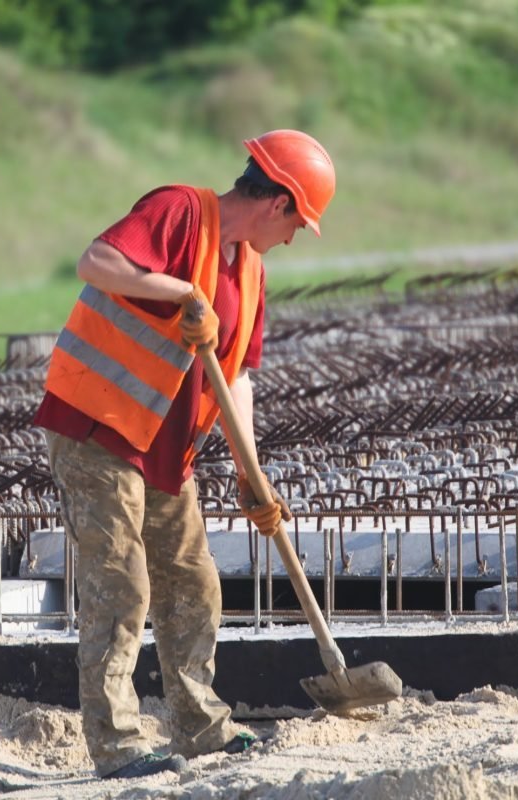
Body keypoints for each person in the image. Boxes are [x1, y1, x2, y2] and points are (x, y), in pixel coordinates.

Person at [33, 130, 335, 780]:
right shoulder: (181, 211)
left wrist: (252, 473)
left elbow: (240, 378)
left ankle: (200, 728)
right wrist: (178, 294)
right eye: (297, 223)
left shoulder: (251, 271)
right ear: (276, 202)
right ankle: (115, 746)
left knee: (192, 582)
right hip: (98, 426)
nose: (290, 239)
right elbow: (94, 261)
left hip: (167, 449)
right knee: (121, 584)